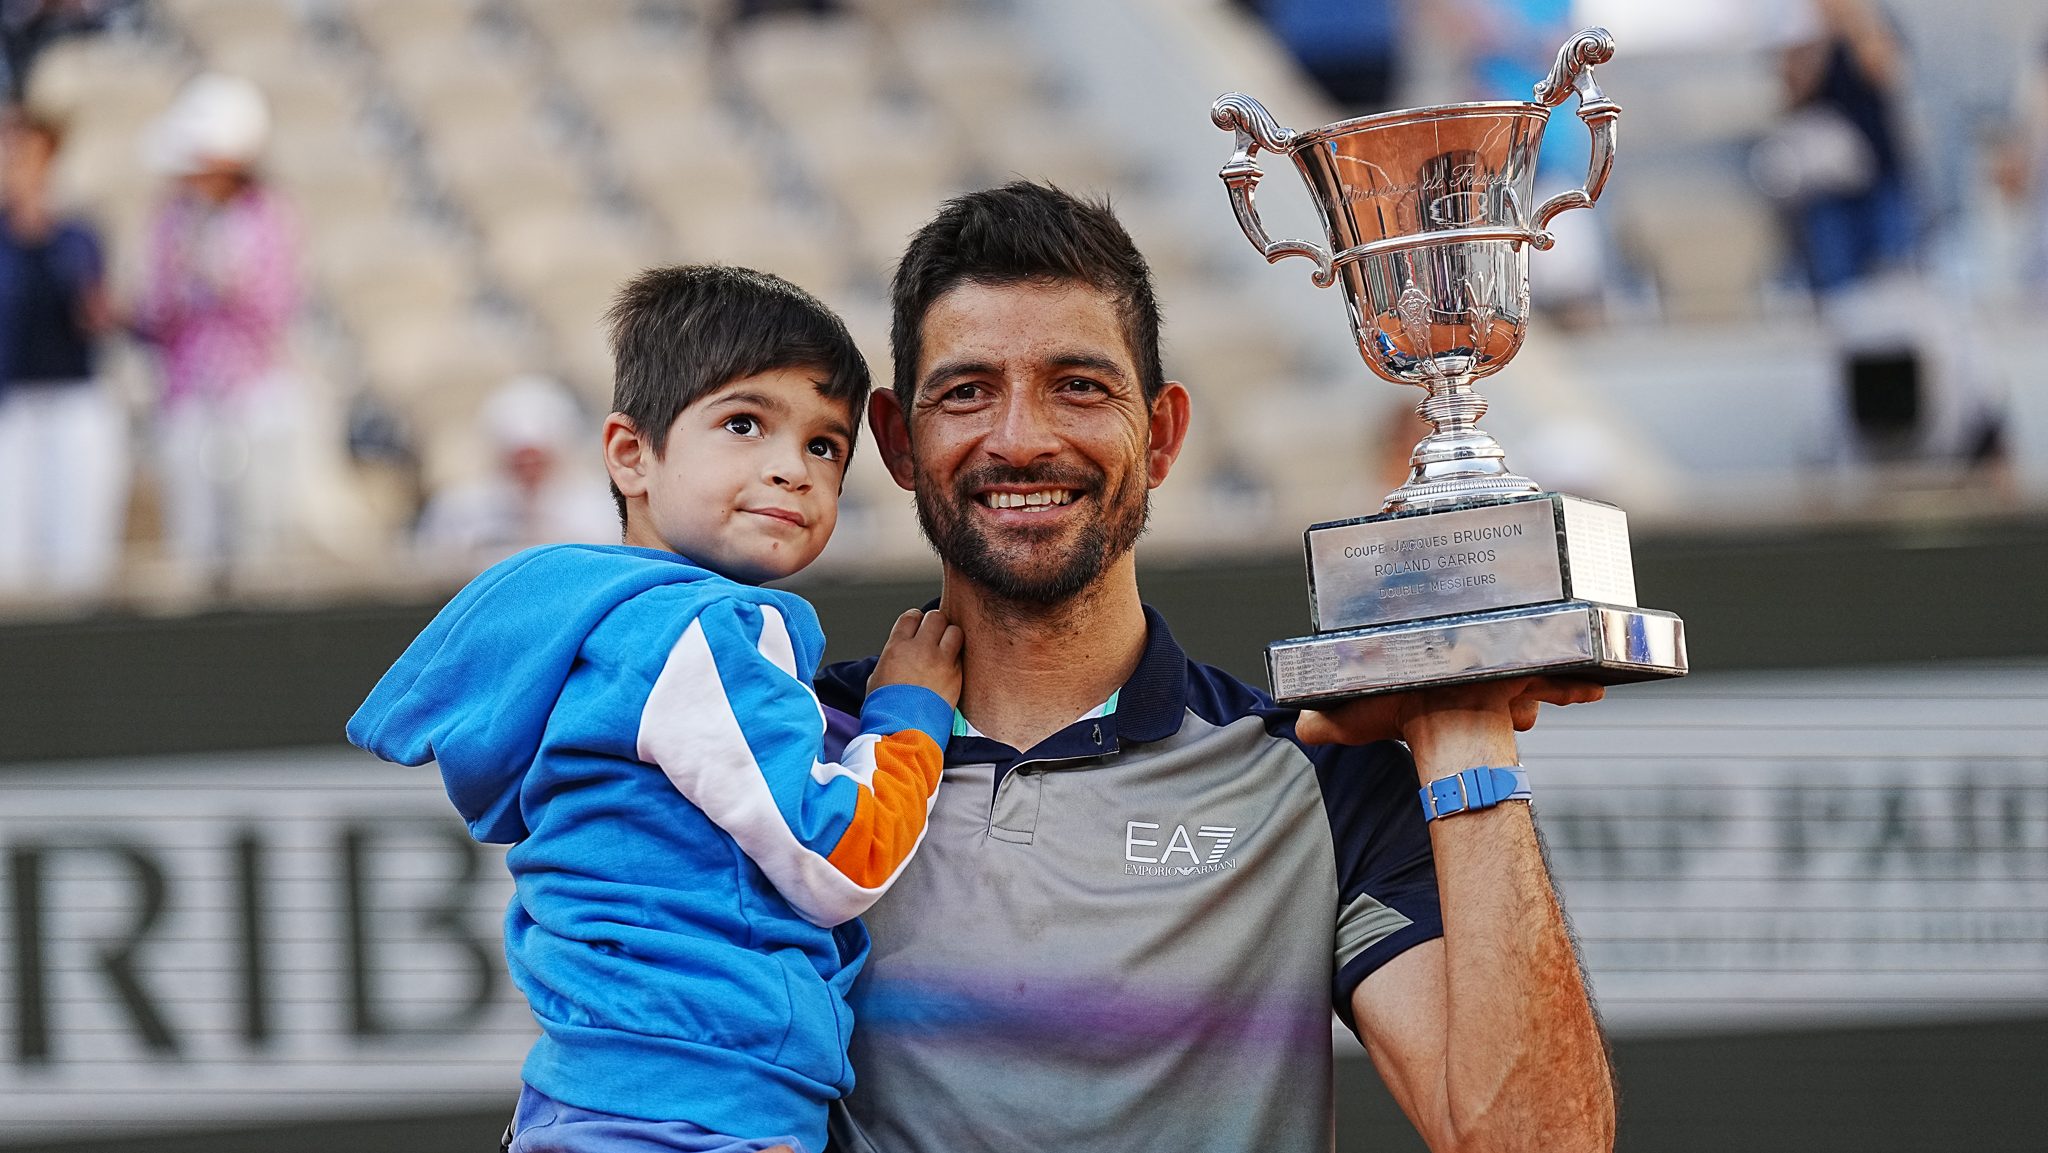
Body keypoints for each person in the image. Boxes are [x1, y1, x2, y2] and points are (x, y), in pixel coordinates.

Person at [815, 182, 1612, 1152]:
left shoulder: (1313, 781)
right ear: (899, 440)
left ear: (1161, 434)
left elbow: (1532, 1145)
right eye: (966, 390)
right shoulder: (789, 752)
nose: (1020, 438)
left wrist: (1462, 726)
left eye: (1077, 385)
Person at [347, 266, 964, 1153]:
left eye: (826, 446)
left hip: (605, 1104)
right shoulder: (696, 633)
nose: (792, 467)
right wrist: (910, 715)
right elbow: (840, 852)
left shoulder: (606, 623)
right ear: (631, 454)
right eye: (744, 424)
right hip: (693, 1114)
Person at [132, 73, 299, 589]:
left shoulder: (269, 217)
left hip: (252, 390)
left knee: (259, 531)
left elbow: (274, 308)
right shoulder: (170, 220)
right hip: (189, 394)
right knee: (194, 532)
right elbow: (155, 310)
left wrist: (224, 277)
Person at [0, 106, 122, 598]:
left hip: (73, 401)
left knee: (78, 555)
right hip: (12, 408)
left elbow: (93, 312)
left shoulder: (76, 235)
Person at [413, 373, 618, 572]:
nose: (528, 471)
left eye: (537, 461)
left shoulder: (596, 507)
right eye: (518, 462)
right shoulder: (459, 508)